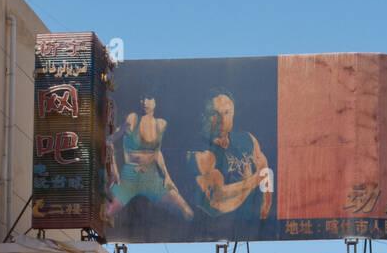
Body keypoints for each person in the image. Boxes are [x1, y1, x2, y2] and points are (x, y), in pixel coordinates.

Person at [188, 89, 272, 222]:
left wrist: (264, 212)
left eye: (227, 112)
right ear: (203, 116)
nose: (222, 120)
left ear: (233, 113)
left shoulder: (247, 139)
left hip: (252, 226)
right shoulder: (199, 154)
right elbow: (216, 204)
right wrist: (253, 181)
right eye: (214, 114)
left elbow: (267, 172)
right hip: (218, 231)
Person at [108, 92, 194, 219]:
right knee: (104, 215)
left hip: (151, 177)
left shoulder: (161, 124)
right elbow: (109, 140)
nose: (144, 102)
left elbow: (157, 152)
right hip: (128, 177)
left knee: (187, 213)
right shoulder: (132, 118)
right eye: (142, 98)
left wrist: (167, 176)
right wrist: (113, 169)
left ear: (155, 102)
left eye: (149, 98)